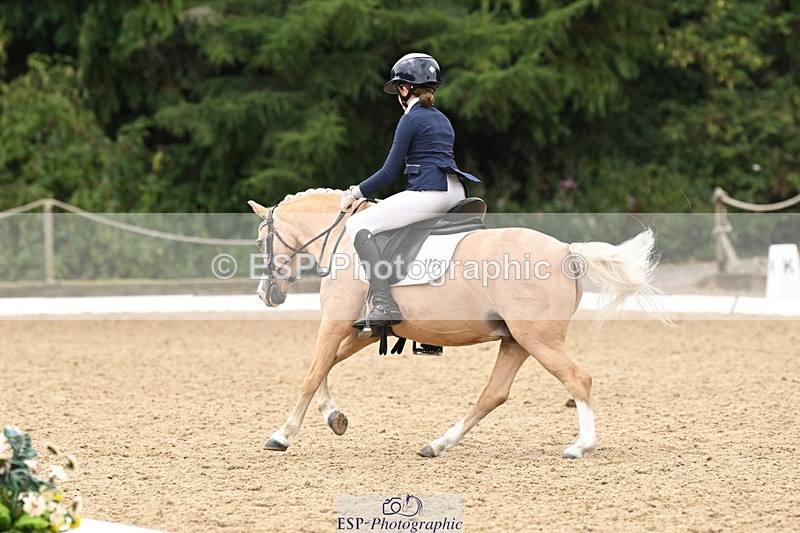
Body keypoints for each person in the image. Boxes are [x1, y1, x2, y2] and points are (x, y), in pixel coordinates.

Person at [340, 52, 480, 327]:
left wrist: (356, 192)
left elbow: (388, 172)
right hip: (456, 191)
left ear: (404, 88)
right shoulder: (442, 118)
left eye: (397, 90)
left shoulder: (410, 119)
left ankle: (383, 303)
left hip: (431, 193)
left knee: (358, 224)